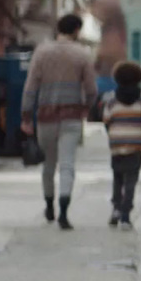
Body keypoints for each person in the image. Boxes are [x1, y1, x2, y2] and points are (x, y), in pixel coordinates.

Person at [20, 14, 98, 230]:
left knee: (49, 164)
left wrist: (26, 116)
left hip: (46, 118)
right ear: (76, 31)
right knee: (67, 164)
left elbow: (30, 87)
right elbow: (92, 90)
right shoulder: (82, 54)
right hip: (71, 118)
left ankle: (49, 205)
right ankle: (64, 210)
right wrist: (85, 109)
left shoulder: (42, 52)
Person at [102, 61, 141, 230]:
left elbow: (106, 119)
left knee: (117, 178)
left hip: (116, 144)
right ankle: (125, 216)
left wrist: (113, 134)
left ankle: (116, 209)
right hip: (135, 144)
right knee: (131, 180)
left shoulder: (111, 98)